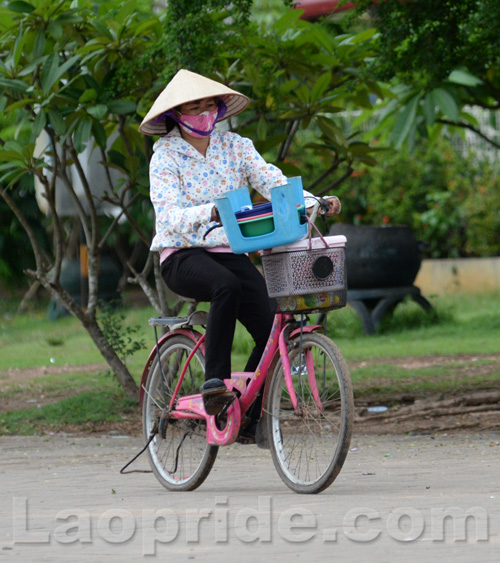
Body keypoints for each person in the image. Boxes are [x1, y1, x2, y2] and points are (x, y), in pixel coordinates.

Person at [140, 69, 340, 441]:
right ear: (175, 115)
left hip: (230, 252)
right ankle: (214, 383)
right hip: (181, 255)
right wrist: (210, 211)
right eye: (191, 107)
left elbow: (272, 180)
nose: (201, 112)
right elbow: (167, 215)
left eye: (207, 105)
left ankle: (247, 416)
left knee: (274, 323)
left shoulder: (236, 147)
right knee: (225, 286)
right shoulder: (165, 157)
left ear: (218, 109)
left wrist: (315, 201)